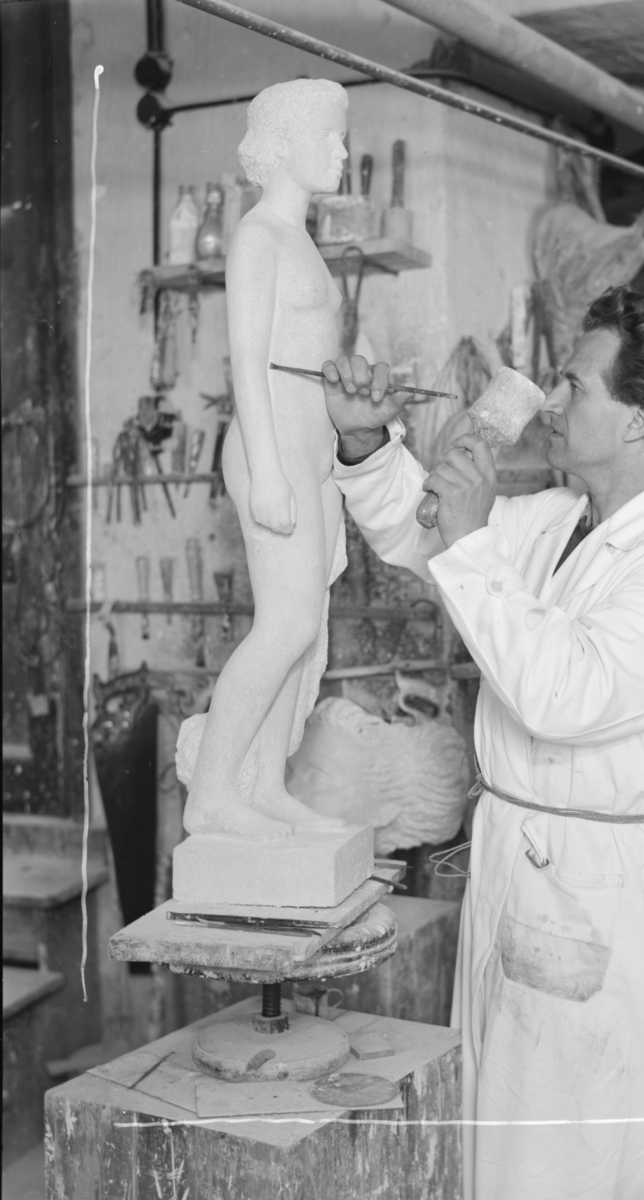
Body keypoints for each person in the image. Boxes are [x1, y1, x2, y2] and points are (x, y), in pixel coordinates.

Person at [322, 286, 644, 1200]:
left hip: (598, 886)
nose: (548, 400)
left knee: (584, 1144)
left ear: (638, 418)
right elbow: (425, 536)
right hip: (521, 857)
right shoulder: (559, 521)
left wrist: (471, 540)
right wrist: (365, 443)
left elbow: (563, 694)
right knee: (509, 1129)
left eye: (573, 384)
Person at [181, 79, 350, 840]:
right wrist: (271, 471)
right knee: (284, 624)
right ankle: (213, 793)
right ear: (282, 145)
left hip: (311, 451)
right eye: (329, 135)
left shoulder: (301, 238)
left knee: (303, 630)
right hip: (270, 445)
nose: (341, 150)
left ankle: (270, 788)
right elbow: (246, 362)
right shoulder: (258, 236)